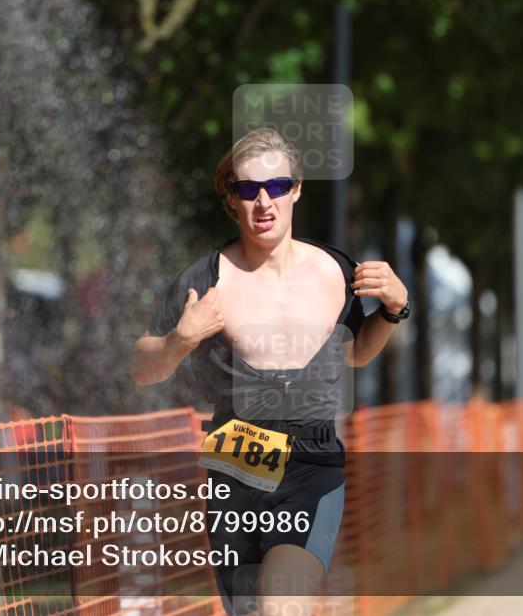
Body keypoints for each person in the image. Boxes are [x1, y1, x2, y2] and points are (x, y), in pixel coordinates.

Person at [131, 128, 409, 616]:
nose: (264, 201)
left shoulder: (336, 272)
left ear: (296, 189)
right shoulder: (206, 280)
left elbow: (357, 353)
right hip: (235, 467)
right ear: (231, 197)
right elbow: (141, 368)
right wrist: (181, 339)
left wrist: (393, 309)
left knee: (281, 605)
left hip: (310, 468)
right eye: (248, 189)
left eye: (277, 186)